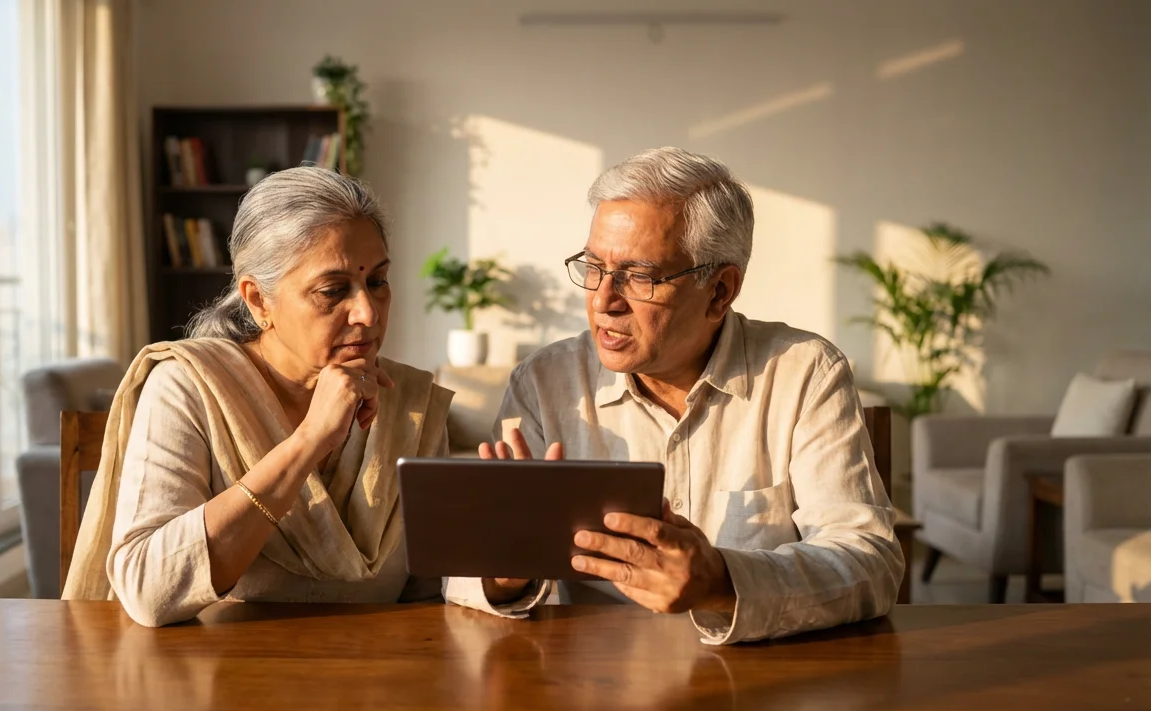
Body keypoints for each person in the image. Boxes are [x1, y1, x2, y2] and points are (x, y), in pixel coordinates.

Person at [62, 167, 548, 625]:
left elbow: (427, 591)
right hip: (215, 688)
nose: (368, 313)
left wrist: (501, 572)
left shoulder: (409, 403)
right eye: (333, 290)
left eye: (376, 281)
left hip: (377, 690)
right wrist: (310, 440)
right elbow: (148, 589)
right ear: (257, 300)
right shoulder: (189, 387)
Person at [480, 148, 903, 644]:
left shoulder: (804, 373)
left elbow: (868, 560)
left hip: (763, 686)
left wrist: (721, 583)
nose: (602, 300)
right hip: (589, 687)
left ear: (720, 291)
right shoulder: (545, 384)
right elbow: (467, 574)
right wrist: (503, 571)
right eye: (593, 267)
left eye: (638, 276)